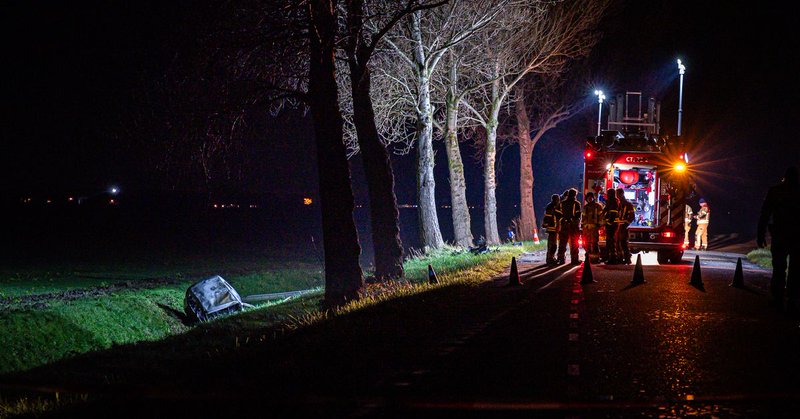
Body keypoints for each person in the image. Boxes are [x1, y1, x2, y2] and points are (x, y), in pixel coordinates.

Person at [758, 166, 800, 313]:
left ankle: (778, 297)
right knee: (795, 269)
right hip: (796, 237)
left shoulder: (775, 191)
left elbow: (765, 213)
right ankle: (792, 299)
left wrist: (760, 234)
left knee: (779, 268)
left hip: (780, 235)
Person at [557, 188, 582, 264]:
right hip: (573, 226)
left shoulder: (562, 203)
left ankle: (561, 259)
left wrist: (563, 220)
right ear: (575, 195)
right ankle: (574, 260)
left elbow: (558, 214)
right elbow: (578, 215)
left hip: (564, 226)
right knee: (574, 243)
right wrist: (571, 220)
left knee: (562, 243)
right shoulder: (577, 203)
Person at [582, 191, 604, 263]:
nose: (590, 199)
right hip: (586, 228)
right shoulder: (585, 207)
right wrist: (582, 226)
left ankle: (595, 258)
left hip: (594, 228)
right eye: (588, 198)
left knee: (594, 243)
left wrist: (599, 225)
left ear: (593, 198)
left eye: (591, 198)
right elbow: (583, 217)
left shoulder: (598, 206)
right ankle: (588, 257)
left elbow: (601, 217)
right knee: (586, 243)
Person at [616, 188, 635, 264]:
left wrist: (625, 225)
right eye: (616, 194)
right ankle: (620, 258)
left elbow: (632, 216)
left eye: (618, 194)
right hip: (618, 227)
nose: (617, 196)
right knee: (618, 243)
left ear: (622, 194)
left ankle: (627, 258)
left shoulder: (628, 204)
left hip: (623, 227)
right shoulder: (619, 204)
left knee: (623, 243)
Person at [542, 194, 563, 265]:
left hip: (554, 228)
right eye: (558, 199)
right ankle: (550, 259)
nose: (558, 201)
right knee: (552, 245)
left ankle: (551, 258)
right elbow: (549, 217)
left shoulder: (551, 206)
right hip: (552, 228)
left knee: (553, 245)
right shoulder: (552, 207)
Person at [602, 187, 620, 264]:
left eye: (608, 193)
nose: (607, 194)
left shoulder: (612, 202)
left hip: (612, 225)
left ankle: (612, 258)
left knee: (611, 241)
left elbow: (613, 213)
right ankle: (610, 257)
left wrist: (609, 223)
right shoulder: (611, 201)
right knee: (609, 241)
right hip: (611, 224)